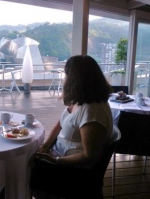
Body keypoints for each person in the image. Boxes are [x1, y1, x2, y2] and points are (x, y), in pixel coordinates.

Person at [30, 55, 114, 199]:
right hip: (60, 157)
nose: (65, 79)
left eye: (67, 75)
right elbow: (60, 123)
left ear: (75, 79)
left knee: (27, 167)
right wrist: (46, 146)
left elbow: (89, 156)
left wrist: (54, 160)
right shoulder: (81, 100)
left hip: (73, 173)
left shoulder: (92, 111)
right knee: (29, 158)